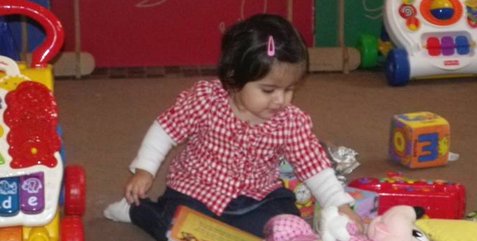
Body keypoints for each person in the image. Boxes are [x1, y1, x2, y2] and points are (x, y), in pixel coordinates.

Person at [103, 13, 363, 240]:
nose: (280, 100)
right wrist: (145, 170)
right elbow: (165, 129)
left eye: (290, 89)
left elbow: (313, 165)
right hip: (196, 192)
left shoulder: (290, 120)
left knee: (284, 219)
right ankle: (138, 212)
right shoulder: (206, 100)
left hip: (257, 198)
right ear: (233, 78)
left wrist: (338, 203)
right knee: (175, 228)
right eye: (268, 90)